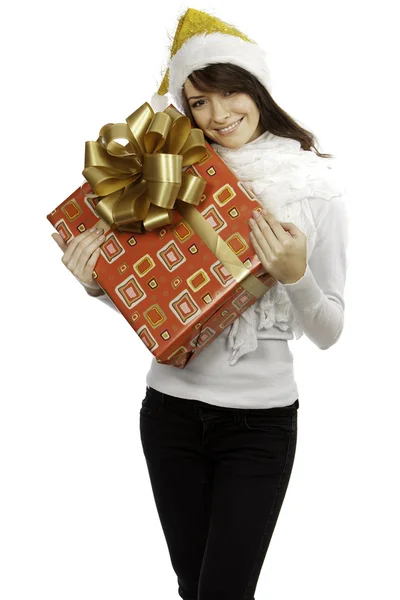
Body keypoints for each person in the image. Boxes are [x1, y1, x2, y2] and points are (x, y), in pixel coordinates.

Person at [51, 8, 349, 600]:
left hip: (260, 425)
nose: (218, 115)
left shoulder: (313, 189)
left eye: (230, 92)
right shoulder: (171, 177)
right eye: (198, 104)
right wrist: (97, 284)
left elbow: (331, 328)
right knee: (194, 588)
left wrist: (296, 276)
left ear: (257, 88)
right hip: (169, 415)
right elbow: (162, 305)